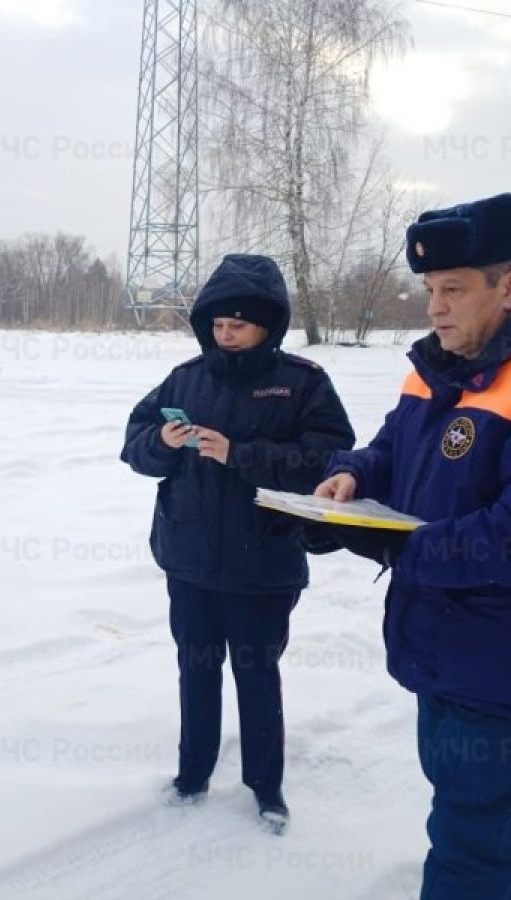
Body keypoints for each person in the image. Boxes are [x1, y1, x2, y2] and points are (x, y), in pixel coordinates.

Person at [313, 193, 511, 897]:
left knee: (469, 842)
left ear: (510, 287)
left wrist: (405, 549)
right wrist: (350, 475)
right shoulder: (438, 371)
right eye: (430, 290)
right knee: (475, 826)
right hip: (445, 650)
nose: (435, 308)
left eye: (454, 289)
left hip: (509, 666)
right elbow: (391, 453)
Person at [121, 255, 355, 833]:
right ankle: (192, 773)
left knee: (256, 675)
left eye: (239, 326)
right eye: (218, 325)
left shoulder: (302, 383)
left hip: (264, 561)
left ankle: (266, 787)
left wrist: (242, 454)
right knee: (195, 670)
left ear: (266, 328)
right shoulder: (185, 378)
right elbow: (134, 444)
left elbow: (330, 462)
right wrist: (164, 442)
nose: (226, 336)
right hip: (190, 558)